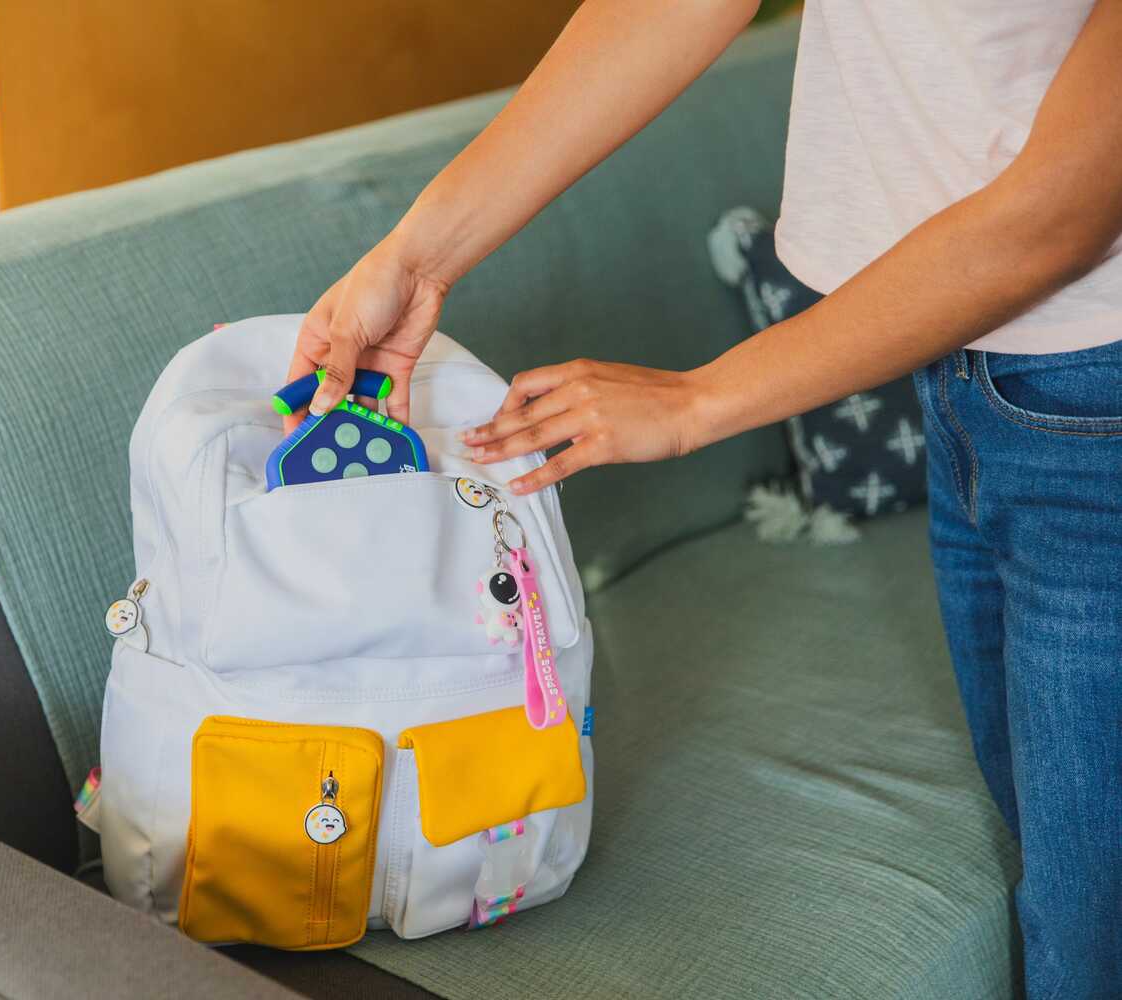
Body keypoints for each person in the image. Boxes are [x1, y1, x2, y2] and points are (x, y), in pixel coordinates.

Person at [285, 1, 1122, 994]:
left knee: (1089, 943)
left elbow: (1064, 209)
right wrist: (413, 262)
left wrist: (693, 401)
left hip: (1092, 394)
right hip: (958, 366)